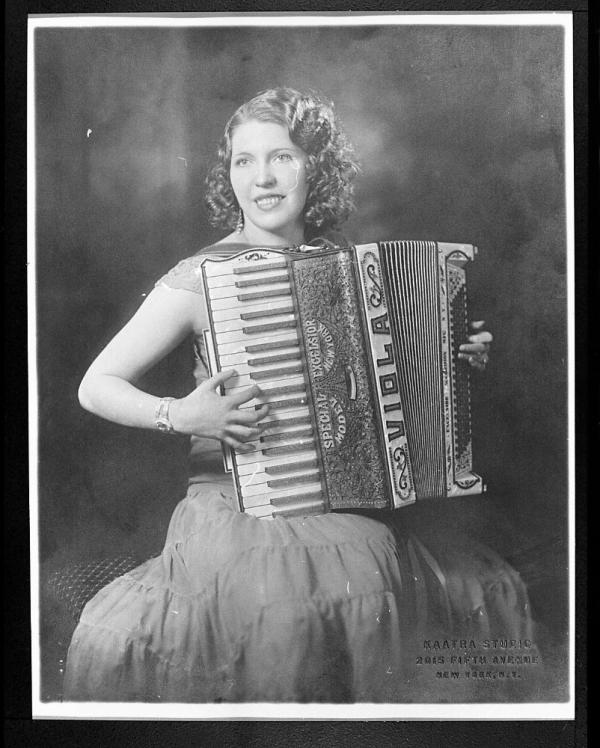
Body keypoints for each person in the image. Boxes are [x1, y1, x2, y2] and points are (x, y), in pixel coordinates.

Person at [63, 88, 531, 703]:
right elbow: (95, 385)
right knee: (307, 604)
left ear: (317, 166)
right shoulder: (200, 277)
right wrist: (179, 413)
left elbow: (396, 387)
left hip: (352, 501)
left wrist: (456, 356)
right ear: (226, 174)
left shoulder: (346, 266)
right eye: (242, 161)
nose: (261, 178)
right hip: (239, 508)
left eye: (281, 157)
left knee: (468, 585)